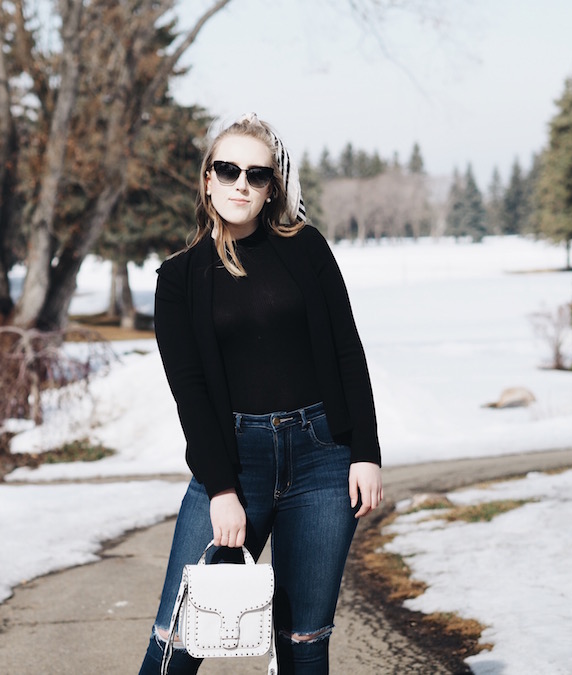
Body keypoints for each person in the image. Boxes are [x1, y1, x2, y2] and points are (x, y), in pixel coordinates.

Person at [138, 113, 383, 675]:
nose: (240, 184)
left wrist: (365, 451)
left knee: (304, 641)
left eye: (256, 174)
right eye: (228, 170)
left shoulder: (306, 249)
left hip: (323, 459)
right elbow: (191, 394)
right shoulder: (179, 279)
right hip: (235, 461)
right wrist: (222, 489)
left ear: (273, 186)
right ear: (207, 179)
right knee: (178, 638)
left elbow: (348, 350)